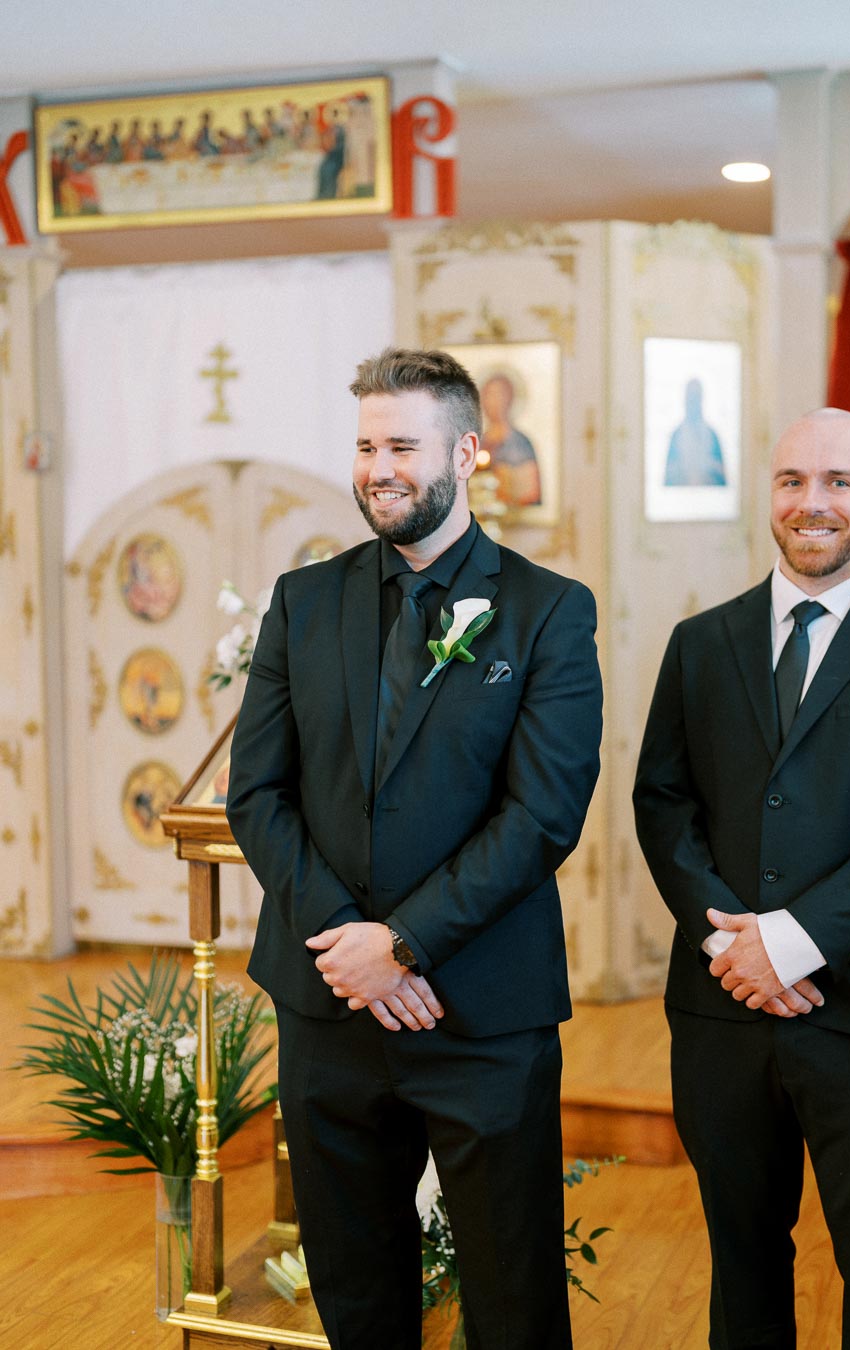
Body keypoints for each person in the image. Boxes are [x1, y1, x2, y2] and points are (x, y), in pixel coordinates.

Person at [226, 346, 602, 1350]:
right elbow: (256, 793)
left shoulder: (549, 610)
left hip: (479, 1007)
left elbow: (543, 815)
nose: (377, 467)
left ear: (469, 450)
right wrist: (351, 943)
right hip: (328, 1002)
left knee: (513, 1296)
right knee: (355, 1294)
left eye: (402, 444)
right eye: (363, 446)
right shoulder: (303, 602)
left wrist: (404, 945)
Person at [633, 407, 850, 1349]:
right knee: (742, 1259)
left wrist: (788, 942)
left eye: (837, 483)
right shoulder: (701, 643)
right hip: (722, 1011)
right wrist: (731, 944)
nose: (811, 502)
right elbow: (661, 803)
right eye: (792, 481)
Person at [480, 372, 543, 507]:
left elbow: (530, 491)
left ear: (510, 399)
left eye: (499, 395)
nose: (494, 402)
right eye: (489, 395)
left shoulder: (521, 443)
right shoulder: (478, 443)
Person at [663, 377, 727, 487]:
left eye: (696, 397)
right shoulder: (676, 436)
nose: (693, 402)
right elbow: (668, 479)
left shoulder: (712, 436)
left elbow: (722, 479)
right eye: (690, 398)